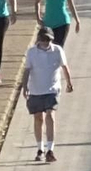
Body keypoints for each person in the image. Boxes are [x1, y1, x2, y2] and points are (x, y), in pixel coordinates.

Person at [21, 25, 74, 162]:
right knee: (38, 118)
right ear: (39, 38)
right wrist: (24, 86)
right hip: (36, 90)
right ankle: (40, 148)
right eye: (44, 39)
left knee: (50, 114)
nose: (46, 42)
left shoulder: (57, 50)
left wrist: (69, 82)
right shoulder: (32, 52)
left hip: (52, 89)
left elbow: (64, 67)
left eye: (48, 39)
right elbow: (27, 70)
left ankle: (50, 149)